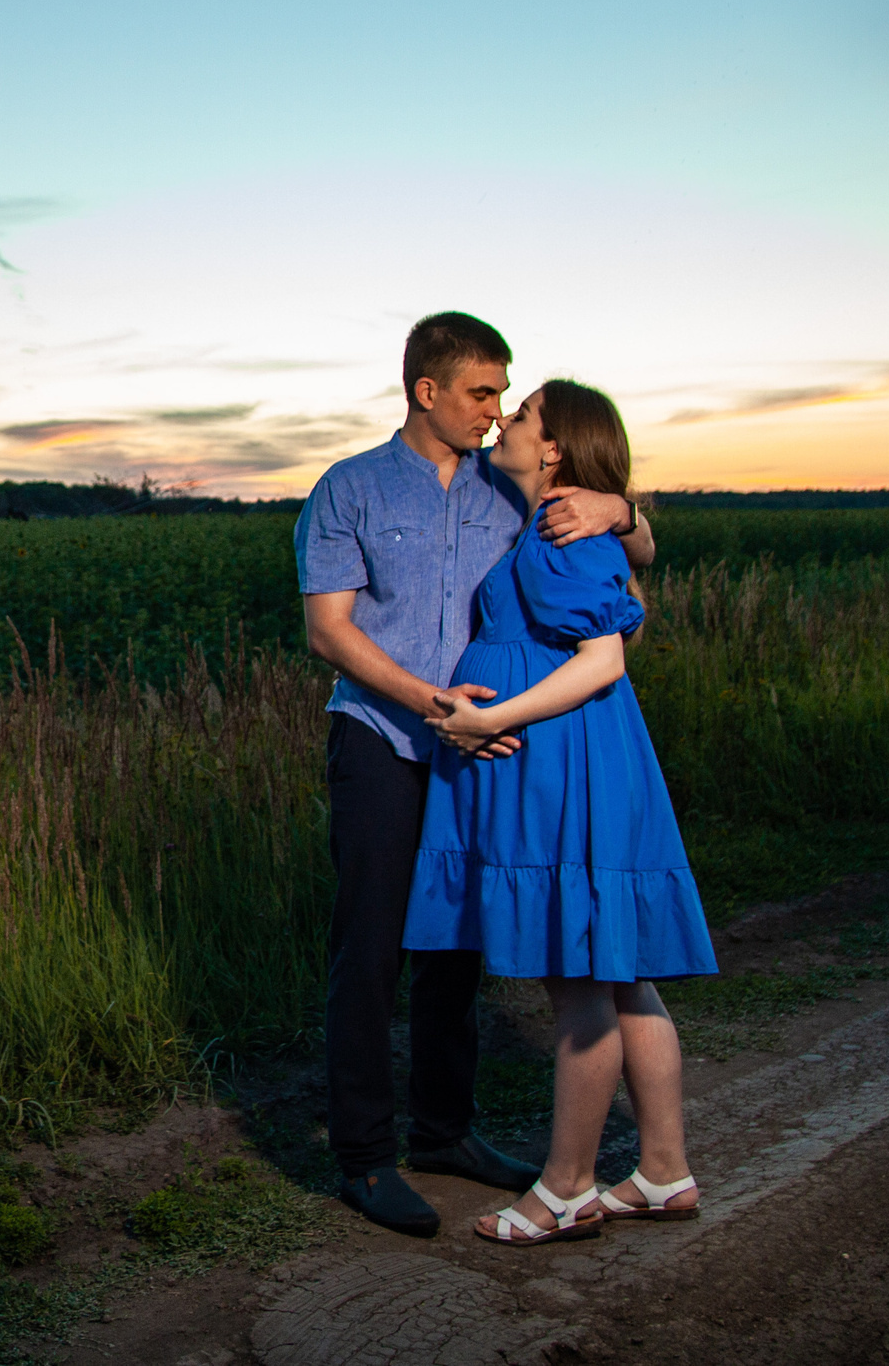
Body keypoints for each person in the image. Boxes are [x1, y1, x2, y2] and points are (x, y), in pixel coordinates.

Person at [294, 314, 654, 1238]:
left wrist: (621, 510)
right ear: (427, 392)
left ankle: (445, 1131)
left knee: (456, 945)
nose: (497, 414)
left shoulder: (507, 490)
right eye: (481, 394)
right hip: (384, 733)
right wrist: (430, 702)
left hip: (482, 748)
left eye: (505, 395)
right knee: (370, 948)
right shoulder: (350, 489)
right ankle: (367, 1159)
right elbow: (328, 630)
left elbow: (621, 545)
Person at [406, 379, 717, 1245]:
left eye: (525, 411)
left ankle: (568, 1187)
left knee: (580, 981)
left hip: (566, 762)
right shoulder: (568, 515)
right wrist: (625, 508)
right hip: (582, 756)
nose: (505, 418)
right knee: (621, 976)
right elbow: (633, 557)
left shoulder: (559, 527)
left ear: (553, 449)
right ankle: (663, 1171)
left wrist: (489, 718)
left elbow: (604, 659)